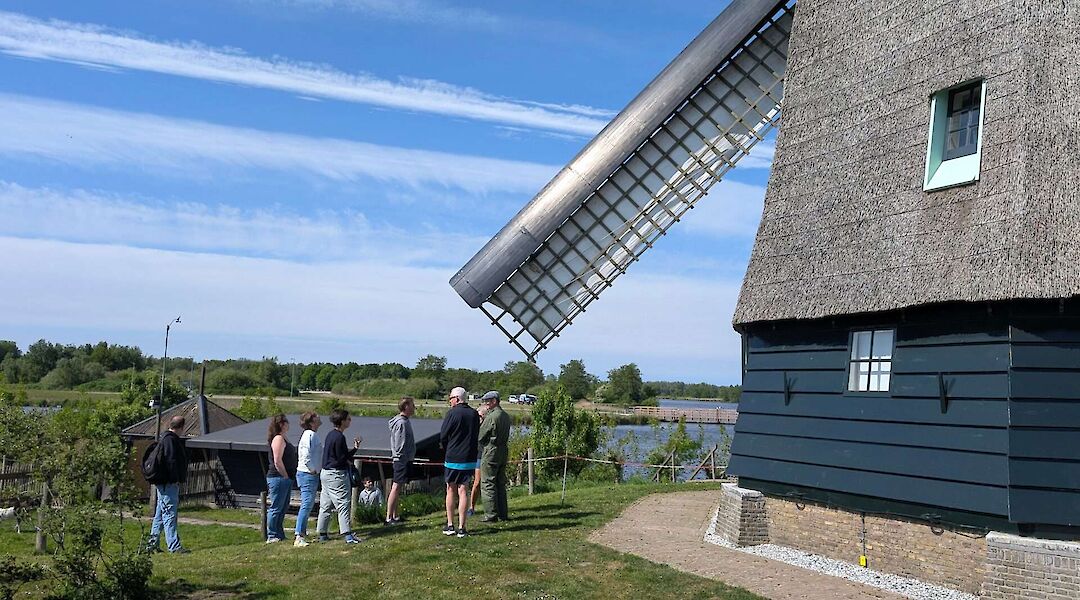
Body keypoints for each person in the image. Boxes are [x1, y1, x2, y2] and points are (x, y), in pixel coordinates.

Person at [316, 408, 362, 544]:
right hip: (337, 475)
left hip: (325, 473)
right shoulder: (340, 437)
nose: (350, 421)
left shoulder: (330, 435)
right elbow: (342, 458)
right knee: (343, 504)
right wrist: (350, 461)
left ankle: (322, 533)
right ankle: (347, 535)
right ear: (342, 421)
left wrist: (354, 449)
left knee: (325, 505)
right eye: (348, 419)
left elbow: (339, 455)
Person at [439, 386, 479, 538]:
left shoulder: (452, 413)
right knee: (464, 491)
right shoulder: (474, 414)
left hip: (453, 457)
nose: (450, 401)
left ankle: (450, 524)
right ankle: (462, 527)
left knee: (451, 489)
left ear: (456, 398)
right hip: (469, 458)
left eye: (450, 398)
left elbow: (443, 434)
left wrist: (445, 446)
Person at [148, 415, 190, 553]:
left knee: (160, 515)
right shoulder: (171, 440)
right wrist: (175, 478)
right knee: (170, 514)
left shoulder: (164, 438)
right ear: (181, 427)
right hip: (168, 483)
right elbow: (171, 461)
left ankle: (152, 545)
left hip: (163, 483)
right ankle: (174, 546)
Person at [478, 391, 512, 522]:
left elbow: (481, 436)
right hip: (503, 450)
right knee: (500, 483)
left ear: (494, 401)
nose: (486, 404)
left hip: (491, 450)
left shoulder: (492, 417)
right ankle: (503, 514)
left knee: (488, 483)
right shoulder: (505, 415)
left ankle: (491, 514)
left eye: (487, 401)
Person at [265, 414, 297, 543]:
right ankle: (272, 534)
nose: (288, 424)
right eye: (286, 422)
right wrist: (284, 476)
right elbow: (277, 461)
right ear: (282, 424)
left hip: (286, 477)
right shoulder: (278, 438)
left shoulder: (284, 438)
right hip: (278, 477)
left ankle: (279, 533)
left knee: (283, 507)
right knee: (276, 507)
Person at [385, 396, 415, 526]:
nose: (414, 408)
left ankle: (395, 515)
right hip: (401, 460)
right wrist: (403, 457)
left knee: (399, 487)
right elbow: (399, 444)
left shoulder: (404, 421)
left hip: (403, 459)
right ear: (406, 406)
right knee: (396, 487)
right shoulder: (401, 423)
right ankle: (388, 517)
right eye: (412, 405)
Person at [293, 411, 321, 547]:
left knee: (308, 504)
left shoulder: (311, 435)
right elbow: (305, 455)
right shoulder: (309, 435)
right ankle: (298, 535)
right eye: (316, 418)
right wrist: (312, 469)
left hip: (308, 474)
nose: (319, 420)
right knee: (306, 504)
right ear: (311, 422)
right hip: (307, 474)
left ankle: (302, 532)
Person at [467, 403, 489, 516]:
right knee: (476, 482)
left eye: (480, 416)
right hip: (475, 456)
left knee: (483, 482)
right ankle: (471, 507)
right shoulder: (474, 427)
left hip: (484, 455)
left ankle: (489, 506)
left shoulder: (487, 427)